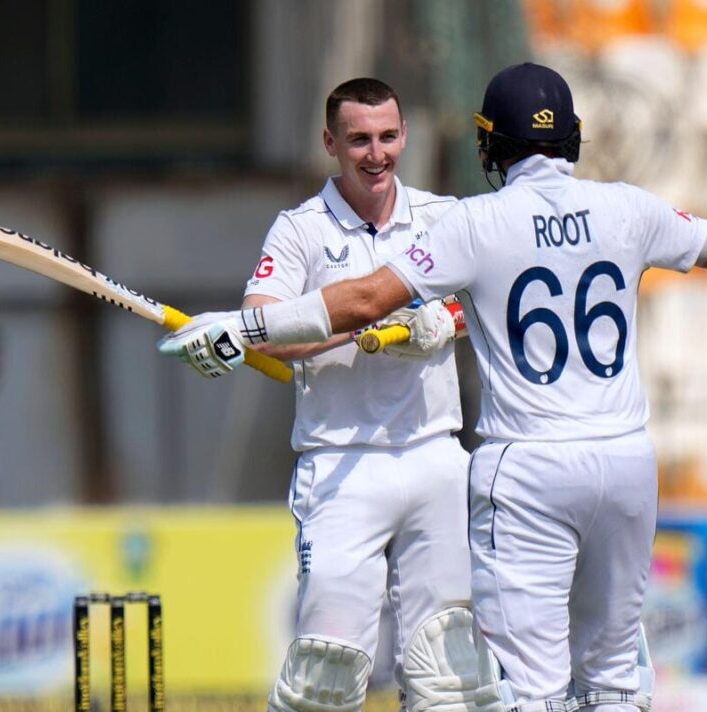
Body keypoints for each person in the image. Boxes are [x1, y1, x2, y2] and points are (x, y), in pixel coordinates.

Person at [160, 64, 707, 711]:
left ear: (490, 144)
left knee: (526, 692)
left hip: (528, 468)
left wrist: (247, 330)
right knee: (616, 682)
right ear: (572, 138)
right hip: (626, 462)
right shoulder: (627, 207)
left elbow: (363, 301)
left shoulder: (475, 222)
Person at [171, 78, 497, 712]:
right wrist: (361, 324)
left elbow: (487, 303)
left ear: (403, 135)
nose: (376, 155)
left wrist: (442, 323)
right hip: (343, 465)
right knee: (326, 675)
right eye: (358, 141)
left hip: (436, 456)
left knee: (454, 676)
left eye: (387, 137)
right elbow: (262, 327)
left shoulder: (441, 216)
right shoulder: (300, 230)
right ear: (330, 143)